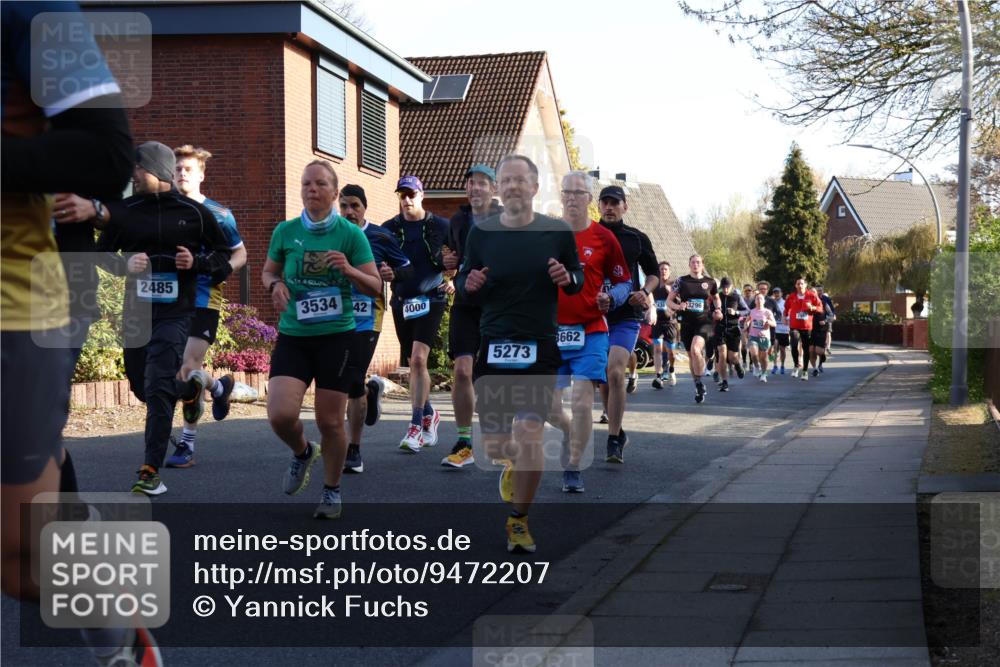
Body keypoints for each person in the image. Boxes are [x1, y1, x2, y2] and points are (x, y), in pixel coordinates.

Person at [1, 4, 160, 665]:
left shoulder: (32, 14)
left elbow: (106, 155)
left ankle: (124, 639)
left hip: (14, 307)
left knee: (17, 563)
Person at [455, 155, 583, 553]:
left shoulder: (557, 231)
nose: (511, 186)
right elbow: (462, 280)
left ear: (534, 187)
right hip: (493, 345)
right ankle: (512, 463)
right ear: (499, 189)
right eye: (505, 180)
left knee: (529, 434)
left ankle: (518, 520)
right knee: (495, 445)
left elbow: (577, 278)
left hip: (540, 346)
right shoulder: (482, 234)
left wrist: (568, 278)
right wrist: (468, 282)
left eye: (519, 180)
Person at [92, 142, 235, 494]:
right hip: (137, 313)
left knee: (157, 387)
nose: (132, 176)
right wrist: (122, 265)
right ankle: (190, 389)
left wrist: (197, 263)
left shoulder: (195, 213)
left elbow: (224, 258)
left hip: (177, 312)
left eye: (136, 169)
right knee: (143, 387)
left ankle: (149, 471)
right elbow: (100, 254)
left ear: (154, 169)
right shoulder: (126, 211)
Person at [262, 160, 381, 519]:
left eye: (319, 184)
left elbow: (376, 286)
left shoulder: (350, 234)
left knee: (330, 422)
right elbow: (269, 270)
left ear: (334, 191)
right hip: (295, 335)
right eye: (306, 184)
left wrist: (348, 269)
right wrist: (274, 284)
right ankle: (302, 452)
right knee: (280, 415)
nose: (311, 189)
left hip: (337, 339)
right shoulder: (286, 231)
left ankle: (331, 491)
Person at [158, 144, 246, 467]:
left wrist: (220, 269)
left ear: (201, 175)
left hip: (203, 299)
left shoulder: (218, 214)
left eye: (188, 169)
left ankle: (187, 445)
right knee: (177, 372)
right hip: (167, 299)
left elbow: (240, 254)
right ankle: (218, 386)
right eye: (177, 169)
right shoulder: (163, 211)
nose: (182, 173)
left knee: (186, 367)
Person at [548, 172, 630, 488]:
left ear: (588, 199)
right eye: (566, 192)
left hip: (591, 330)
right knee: (550, 410)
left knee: (582, 402)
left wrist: (612, 297)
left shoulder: (603, 238)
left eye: (577, 192)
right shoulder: (546, 235)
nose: (571, 197)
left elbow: (624, 280)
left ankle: (573, 467)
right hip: (552, 333)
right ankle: (574, 432)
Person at [338, 184, 412, 473]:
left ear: (364, 208)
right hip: (335, 316)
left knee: (352, 377)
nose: (349, 212)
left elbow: (408, 267)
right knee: (343, 379)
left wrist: (393, 273)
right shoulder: (330, 235)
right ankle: (369, 394)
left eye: (355, 205)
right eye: (344, 206)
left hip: (368, 315)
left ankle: (353, 449)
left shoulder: (381, 235)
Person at [382, 176, 450, 453]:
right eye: (402, 195)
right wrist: (382, 271)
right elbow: (375, 260)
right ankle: (429, 413)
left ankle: (415, 427)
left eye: (412, 194)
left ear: (422, 196)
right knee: (414, 364)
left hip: (432, 298)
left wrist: (455, 277)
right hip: (402, 302)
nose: (407, 200)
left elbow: (466, 255)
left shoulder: (441, 226)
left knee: (419, 360)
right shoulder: (389, 229)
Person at [441, 164, 502, 468]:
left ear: (494, 189)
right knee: (463, 371)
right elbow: (454, 260)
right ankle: (465, 441)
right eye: (470, 183)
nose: (475, 188)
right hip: (465, 302)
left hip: (496, 305)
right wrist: (449, 261)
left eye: (482, 183)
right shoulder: (458, 219)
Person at [597, 185, 659, 464]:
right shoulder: (586, 235)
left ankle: (612, 440)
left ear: (625, 206)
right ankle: (617, 429)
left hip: (626, 315)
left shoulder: (636, 238)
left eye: (615, 203)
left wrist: (644, 292)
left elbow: (654, 274)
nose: (609, 207)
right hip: (594, 316)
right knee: (603, 378)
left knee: (615, 370)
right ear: (599, 206)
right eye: (605, 202)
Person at [667, 255, 722, 403]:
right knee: (692, 356)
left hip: (705, 321)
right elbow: (669, 301)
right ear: (689, 264)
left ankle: (700, 377)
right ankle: (698, 384)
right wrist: (679, 306)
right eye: (693, 262)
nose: (695, 265)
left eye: (698, 262)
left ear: (702, 265)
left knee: (696, 349)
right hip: (686, 323)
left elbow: (716, 298)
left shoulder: (709, 282)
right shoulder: (681, 281)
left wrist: (718, 309)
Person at [712, 277, 749, 392]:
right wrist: (714, 313)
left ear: (731, 286)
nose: (726, 290)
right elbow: (709, 311)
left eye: (727, 288)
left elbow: (747, 311)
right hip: (720, 329)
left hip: (733, 330)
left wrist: (736, 312)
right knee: (722, 354)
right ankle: (724, 382)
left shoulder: (737, 297)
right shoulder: (717, 297)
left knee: (732, 357)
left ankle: (738, 366)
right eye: (723, 288)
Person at [783, 277, 823, 381]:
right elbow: (786, 308)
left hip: (807, 326)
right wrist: (785, 316)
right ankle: (796, 365)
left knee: (806, 349)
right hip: (794, 326)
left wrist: (813, 308)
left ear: (805, 285)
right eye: (798, 284)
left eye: (802, 283)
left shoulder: (811, 295)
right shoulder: (791, 297)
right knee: (794, 344)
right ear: (796, 286)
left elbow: (820, 308)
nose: (800, 285)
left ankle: (805, 370)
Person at [651, 262, 678, 388]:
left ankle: (671, 369)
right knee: (657, 349)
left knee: (671, 352)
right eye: (661, 269)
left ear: (669, 271)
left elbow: (680, 302)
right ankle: (658, 376)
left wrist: (670, 293)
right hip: (657, 322)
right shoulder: (654, 285)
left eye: (666, 269)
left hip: (670, 322)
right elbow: (648, 300)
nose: (663, 271)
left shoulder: (674, 285)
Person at [745, 293, 777, 381]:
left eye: (761, 299)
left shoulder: (767, 312)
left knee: (764, 358)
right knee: (754, 353)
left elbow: (774, 324)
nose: (759, 300)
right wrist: (746, 325)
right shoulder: (752, 311)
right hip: (753, 336)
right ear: (755, 301)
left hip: (764, 337)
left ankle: (763, 374)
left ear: (764, 301)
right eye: (757, 299)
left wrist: (768, 322)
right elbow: (747, 321)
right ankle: (756, 366)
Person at [809, 286, 834, 376]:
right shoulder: (806, 303)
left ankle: (822, 355)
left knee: (818, 351)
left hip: (821, 329)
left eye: (814, 292)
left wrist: (825, 321)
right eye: (810, 293)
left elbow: (832, 315)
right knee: (811, 350)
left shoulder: (823, 303)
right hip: (810, 330)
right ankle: (815, 369)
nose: (812, 294)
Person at [770, 287, 789, 375]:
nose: (776, 294)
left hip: (784, 330)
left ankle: (782, 365)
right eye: (775, 293)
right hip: (775, 329)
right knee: (775, 347)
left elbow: (789, 315)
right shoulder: (770, 303)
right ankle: (774, 365)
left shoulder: (785, 303)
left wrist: (786, 319)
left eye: (778, 292)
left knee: (782, 349)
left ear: (781, 293)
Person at [816, 283, 836, 358]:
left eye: (820, 290)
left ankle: (821, 359)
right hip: (813, 325)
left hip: (823, 323)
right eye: (817, 291)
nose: (819, 292)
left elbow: (832, 312)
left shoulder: (826, 299)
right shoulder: (811, 298)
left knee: (823, 341)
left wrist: (826, 320)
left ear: (823, 290)